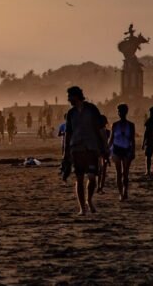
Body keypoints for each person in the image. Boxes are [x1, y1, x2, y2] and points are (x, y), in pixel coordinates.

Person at [62, 86, 106, 216]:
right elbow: (68, 134)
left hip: (92, 147)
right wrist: (65, 152)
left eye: (70, 96)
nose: (68, 99)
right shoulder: (71, 113)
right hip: (76, 148)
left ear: (76, 96)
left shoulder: (92, 109)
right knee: (79, 178)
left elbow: (101, 129)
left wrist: (105, 146)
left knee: (92, 177)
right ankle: (82, 208)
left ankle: (89, 200)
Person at [110, 104, 136, 201]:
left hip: (126, 149)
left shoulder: (131, 125)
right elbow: (111, 139)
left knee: (125, 173)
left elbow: (132, 139)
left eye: (121, 111)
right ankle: (121, 193)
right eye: (119, 111)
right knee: (118, 173)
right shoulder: (115, 125)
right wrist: (107, 150)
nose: (120, 113)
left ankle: (125, 191)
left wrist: (133, 151)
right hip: (116, 149)